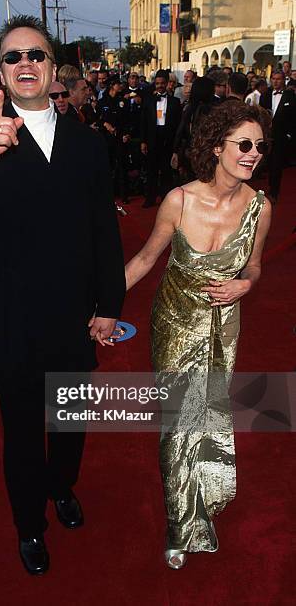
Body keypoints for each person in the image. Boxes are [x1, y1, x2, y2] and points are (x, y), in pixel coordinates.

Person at [0, 15, 125, 576]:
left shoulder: (87, 145)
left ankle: (61, 488)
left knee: (68, 426)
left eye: (35, 55)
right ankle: (28, 526)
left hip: (74, 319)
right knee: (21, 437)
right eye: (13, 58)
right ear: (0, 74)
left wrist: (109, 305)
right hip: (14, 321)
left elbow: (103, 234)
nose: (25, 65)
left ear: (53, 67)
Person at [125, 100, 271, 569]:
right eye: (244, 144)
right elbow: (147, 259)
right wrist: (100, 306)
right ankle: (180, 519)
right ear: (215, 147)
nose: (253, 154)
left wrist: (245, 284)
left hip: (223, 326)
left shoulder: (260, 208)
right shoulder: (180, 200)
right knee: (178, 422)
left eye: (260, 147)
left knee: (208, 414)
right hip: (174, 322)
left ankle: (203, 490)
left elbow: (255, 265)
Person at [140, 70, 182, 208]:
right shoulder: (148, 101)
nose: (159, 86)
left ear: (167, 83)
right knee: (151, 170)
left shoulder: (175, 102)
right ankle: (150, 198)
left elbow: (178, 124)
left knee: (166, 171)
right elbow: (143, 122)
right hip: (152, 138)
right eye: (157, 83)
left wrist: (176, 145)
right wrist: (143, 141)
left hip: (167, 139)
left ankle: (166, 199)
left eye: (162, 83)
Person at [259, 70, 296, 201]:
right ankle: (262, 190)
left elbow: (294, 117)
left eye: (278, 79)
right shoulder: (265, 95)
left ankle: (274, 192)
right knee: (264, 164)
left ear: (284, 80)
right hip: (265, 136)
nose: (275, 81)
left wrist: (289, 135)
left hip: (281, 136)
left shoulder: (290, 96)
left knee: (277, 164)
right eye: (273, 78)